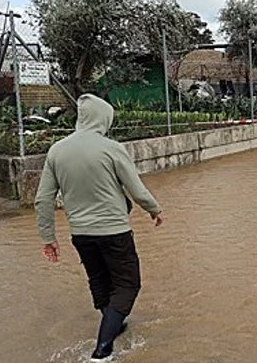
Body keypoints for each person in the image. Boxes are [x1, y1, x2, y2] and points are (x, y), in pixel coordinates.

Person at [35, 94, 164, 362]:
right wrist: (154, 209)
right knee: (128, 285)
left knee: (100, 281)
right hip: (114, 231)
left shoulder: (56, 151)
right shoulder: (111, 148)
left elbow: (43, 199)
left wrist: (48, 238)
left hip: (81, 235)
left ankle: (114, 323)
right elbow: (136, 189)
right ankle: (102, 350)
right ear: (104, 119)